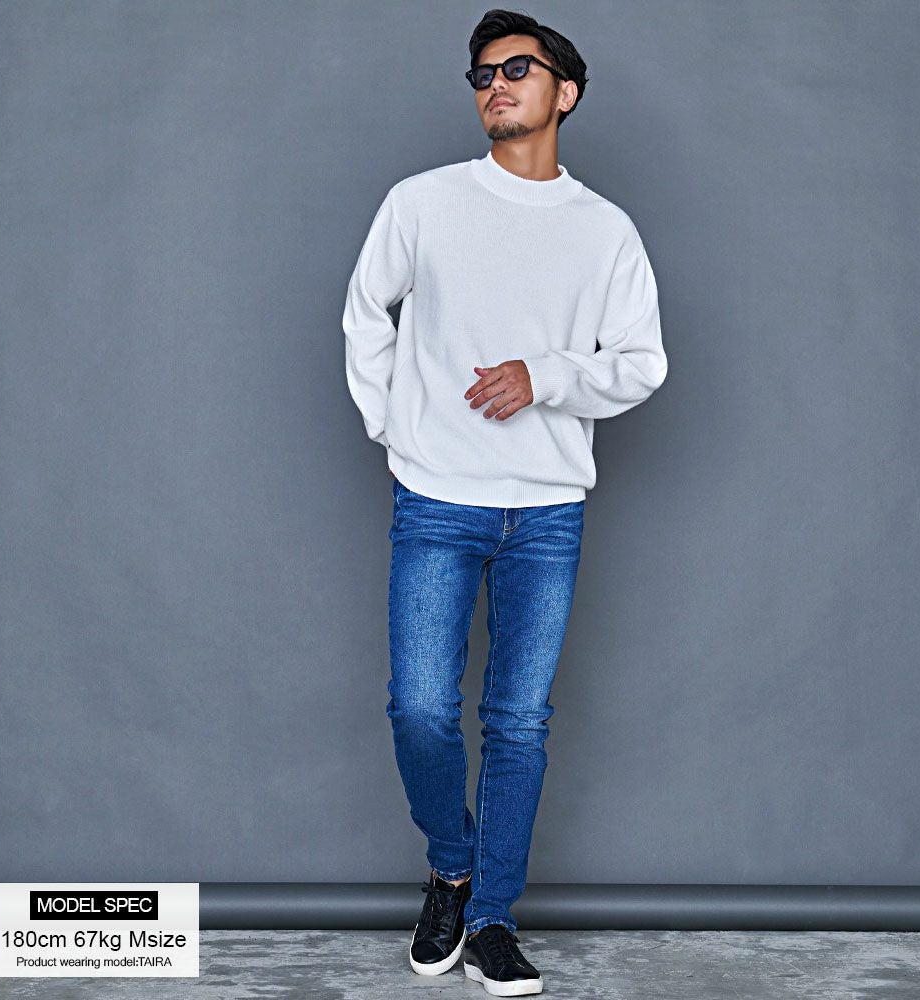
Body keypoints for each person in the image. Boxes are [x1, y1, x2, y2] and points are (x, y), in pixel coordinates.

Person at [342, 8, 668, 995]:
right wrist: (396, 431)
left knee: (519, 722)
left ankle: (489, 917)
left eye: (517, 69)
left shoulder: (604, 229)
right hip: (436, 499)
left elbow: (642, 362)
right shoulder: (423, 202)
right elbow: (364, 314)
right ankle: (452, 866)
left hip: (548, 511)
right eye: (482, 73)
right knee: (420, 710)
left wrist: (547, 375)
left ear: (565, 92)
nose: (495, 84)